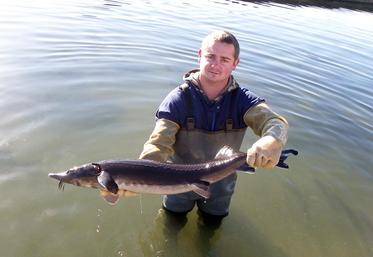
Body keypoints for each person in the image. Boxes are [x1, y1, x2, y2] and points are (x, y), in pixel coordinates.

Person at [139, 31, 288, 219]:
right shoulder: (178, 99)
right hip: (177, 184)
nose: (215, 65)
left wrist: (271, 140)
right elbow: (158, 143)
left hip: (222, 185)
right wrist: (141, 173)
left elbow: (274, 122)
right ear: (200, 55)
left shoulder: (244, 101)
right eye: (210, 56)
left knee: (212, 225)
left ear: (235, 64)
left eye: (224, 59)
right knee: (171, 222)